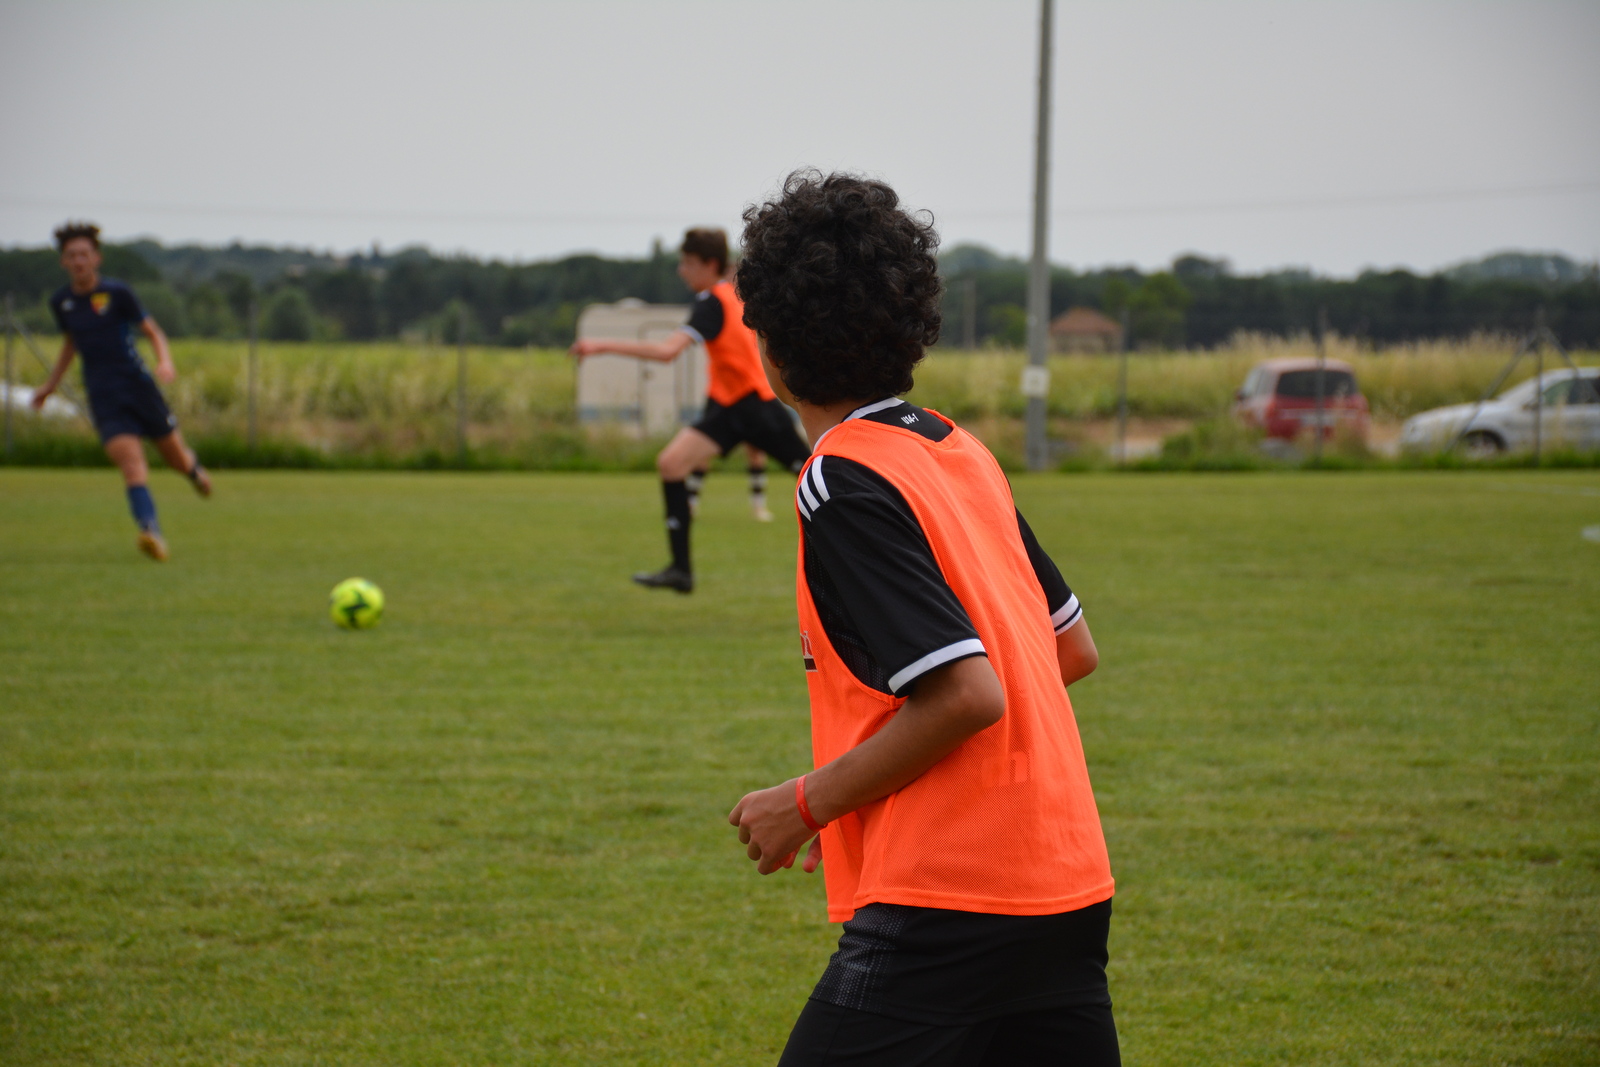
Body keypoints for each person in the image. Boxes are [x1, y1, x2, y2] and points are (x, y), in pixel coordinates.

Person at [726, 172, 1118, 1066]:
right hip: (1066, 880)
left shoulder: (840, 478)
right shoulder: (955, 449)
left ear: (773, 344)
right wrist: (866, 776)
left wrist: (809, 801)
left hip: (951, 896)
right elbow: (1069, 648)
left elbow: (967, 694)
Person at [569, 228, 810, 593]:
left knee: (814, 477)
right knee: (671, 464)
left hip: (755, 407)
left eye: (688, 263)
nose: (681, 270)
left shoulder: (712, 300)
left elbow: (667, 352)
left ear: (709, 264)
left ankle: (861, 552)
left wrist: (599, 345)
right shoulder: (731, 295)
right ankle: (680, 571)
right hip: (728, 408)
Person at [33, 222, 211, 561]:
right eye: (72, 255)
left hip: (138, 386)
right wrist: (49, 387)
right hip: (104, 396)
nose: (79, 261)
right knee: (132, 465)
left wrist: (165, 362)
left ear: (96, 258)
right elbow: (71, 344)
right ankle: (150, 531)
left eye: (84, 254)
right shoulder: (61, 302)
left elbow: (153, 331)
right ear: (63, 262)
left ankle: (194, 472)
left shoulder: (118, 294)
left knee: (175, 459)